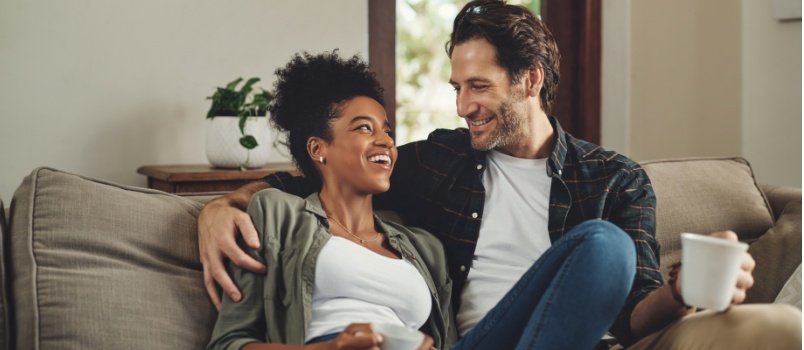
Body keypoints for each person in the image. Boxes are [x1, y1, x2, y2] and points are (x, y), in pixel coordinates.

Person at [200, 1, 801, 349]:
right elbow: (315, 178)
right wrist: (221, 206)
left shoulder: (614, 179)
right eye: (458, 88)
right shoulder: (440, 158)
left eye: (479, 87)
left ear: (530, 80)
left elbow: (634, 311)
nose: (462, 106)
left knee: (603, 246)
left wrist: (682, 291)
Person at [206, 51, 452, 350]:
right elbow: (228, 343)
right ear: (317, 148)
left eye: (387, 131)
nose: (387, 140)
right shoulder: (276, 214)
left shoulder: (425, 248)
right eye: (364, 127)